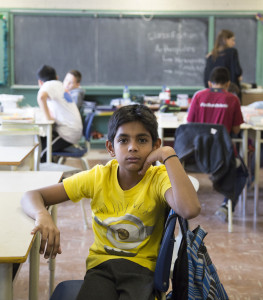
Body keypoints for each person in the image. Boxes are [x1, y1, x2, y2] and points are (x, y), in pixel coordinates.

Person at [21, 104, 200, 300]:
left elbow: (190, 209)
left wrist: (167, 154)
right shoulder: (98, 177)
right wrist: (42, 215)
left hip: (142, 271)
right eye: (123, 140)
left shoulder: (158, 178)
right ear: (110, 147)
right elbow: (32, 196)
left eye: (142, 140)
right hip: (101, 268)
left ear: (154, 145)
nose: (132, 147)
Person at [188, 66, 246, 221]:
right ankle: (226, 206)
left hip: (196, 156)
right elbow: (235, 129)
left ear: (209, 83)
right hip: (222, 158)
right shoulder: (233, 99)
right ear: (228, 84)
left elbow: (190, 125)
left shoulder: (198, 96)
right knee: (242, 172)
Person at [37, 65, 83, 162]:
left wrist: (48, 118)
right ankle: (54, 172)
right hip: (72, 130)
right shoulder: (59, 85)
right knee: (41, 140)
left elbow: (41, 97)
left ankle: (53, 176)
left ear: (40, 82)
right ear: (57, 77)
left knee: (41, 153)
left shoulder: (48, 85)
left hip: (68, 133)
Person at [204, 29, 242, 100]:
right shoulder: (232, 52)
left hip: (213, 94)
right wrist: (239, 76)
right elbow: (238, 71)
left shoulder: (211, 56)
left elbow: (206, 78)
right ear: (225, 40)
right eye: (232, 40)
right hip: (231, 92)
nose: (234, 43)